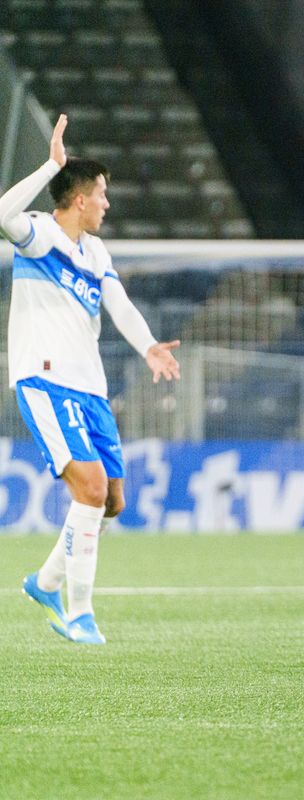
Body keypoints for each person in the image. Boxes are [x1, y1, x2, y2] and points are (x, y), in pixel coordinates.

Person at [7, 115, 181, 644]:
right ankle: (78, 612)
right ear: (79, 199)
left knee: (112, 501)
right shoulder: (38, 235)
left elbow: (119, 305)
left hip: (90, 387)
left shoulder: (96, 252)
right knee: (90, 487)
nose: (107, 203)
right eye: (102, 194)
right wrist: (50, 166)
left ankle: (45, 581)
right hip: (45, 380)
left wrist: (148, 344)